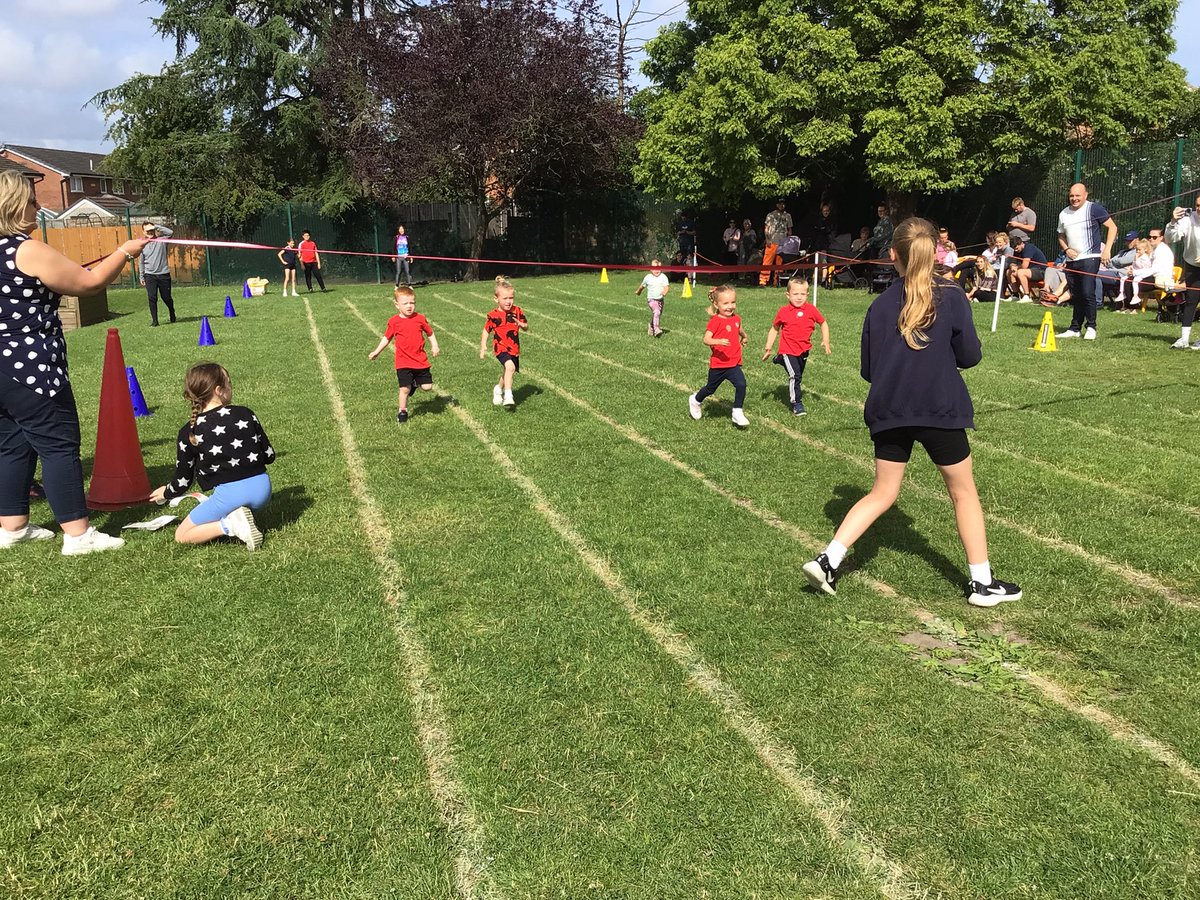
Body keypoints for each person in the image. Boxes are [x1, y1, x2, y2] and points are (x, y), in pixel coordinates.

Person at [802, 217, 1021, 608]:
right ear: (936, 253)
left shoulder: (879, 305)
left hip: (890, 410)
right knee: (963, 493)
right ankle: (982, 584)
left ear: (893, 255)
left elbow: (870, 370)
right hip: (939, 408)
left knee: (882, 492)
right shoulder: (951, 295)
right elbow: (970, 356)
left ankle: (828, 559)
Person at [0, 170, 148, 555]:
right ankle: (79, 534)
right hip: (29, 368)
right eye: (31, 201)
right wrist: (125, 253)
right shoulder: (26, 250)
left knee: (12, 444)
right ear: (13, 206)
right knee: (58, 443)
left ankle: (12, 527)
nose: (38, 206)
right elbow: (88, 283)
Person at [148, 363, 274, 551]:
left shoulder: (189, 431)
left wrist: (166, 492)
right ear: (219, 390)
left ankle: (230, 525)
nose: (231, 387)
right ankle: (238, 516)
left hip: (230, 497)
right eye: (229, 383)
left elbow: (184, 480)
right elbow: (269, 455)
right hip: (263, 491)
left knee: (181, 535)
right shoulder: (246, 413)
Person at [368, 285, 440, 422]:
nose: (409, 306)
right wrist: (376, 351)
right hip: (403, 362)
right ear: (397, 305)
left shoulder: (420, 318)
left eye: (412, 303)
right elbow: (386, 338)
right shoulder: (394, 322)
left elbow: (430, 333)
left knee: (427, 387)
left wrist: (435, 345)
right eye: (405, 303)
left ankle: (414, 383)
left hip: (420, 360)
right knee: (404, 389)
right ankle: (402, 411)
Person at [1056, 182, 1117, 340]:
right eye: (1071, 195)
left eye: (1078, 195)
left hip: (1090, 257)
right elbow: (1061, 235)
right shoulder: (1063, 213)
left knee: (1087, 292)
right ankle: (1075, 328)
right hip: (1071, 260)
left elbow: (1112, 227)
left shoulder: (1094, 209)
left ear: (1085, 195)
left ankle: (1091, 327)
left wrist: (1107, 250)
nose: (1074, 198)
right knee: (1076, 294)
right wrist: (1066, 249)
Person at [761, 278, 831, 416]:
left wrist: (826, 340)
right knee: (795, 376)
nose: (799, 297)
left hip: (804, 350)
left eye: (802, 294)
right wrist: (768, 347)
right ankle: (796, 403)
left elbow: (823, 323)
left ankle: (780, 359)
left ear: (807, 295)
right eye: (795, 294)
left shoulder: (811, 310)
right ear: (788, 295)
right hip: (788, 349)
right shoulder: (783, 311)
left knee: (799, 374)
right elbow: (774, 328)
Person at [687, 284, 750, 428]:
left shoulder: (736, 318)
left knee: (741, 384)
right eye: (726, 303)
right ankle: (695, 400)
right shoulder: (715, 321)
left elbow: (738, 328)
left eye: (733, 302)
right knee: (710, 389)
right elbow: (706, 339)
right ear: (716, 304)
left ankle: (737, 412)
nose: (730, 306)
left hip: (733, 363)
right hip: (719, 364)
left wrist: (745, 336)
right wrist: (718, 341)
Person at [480, 275, 528, 407]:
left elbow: (526, 326)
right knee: (510, 367)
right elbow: (486, 330)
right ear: (496, 299)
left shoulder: (517, 311)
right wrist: (483, 346)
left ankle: (498, 389)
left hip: (514, 348)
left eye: (511, 298)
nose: (508, 302)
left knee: (508, 370)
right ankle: (508, 395)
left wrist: (521, 325)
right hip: (500, 347)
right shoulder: (494, 315)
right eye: (505, 298)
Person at [1166, 194, 1200, 348]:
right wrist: (1173, 221)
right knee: (1191, 300)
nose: (1199, 209)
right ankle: (1184, 339)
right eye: (1197, 205)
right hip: (1192, 266)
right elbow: (1171, 238)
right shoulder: (1188, 219)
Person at [137, 220, 176, 326]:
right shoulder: (142, 244)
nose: (150, 232)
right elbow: (141, 262)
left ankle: (172, 311)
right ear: (143, 232)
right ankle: (155, 321)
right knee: (152, 297)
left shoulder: (161, 240)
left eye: (151, 230)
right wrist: (141, 276)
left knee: (166, 297)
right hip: (149, 275)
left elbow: (170, 232)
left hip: (163, 274)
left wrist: (156, 227)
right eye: (147, 231)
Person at [760, 200, 793, 286]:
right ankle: (763, 281)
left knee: (779, 263)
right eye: (780, 204)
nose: (782, 205)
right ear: (777, 205)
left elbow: (789, 230)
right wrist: (767, 239)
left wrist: (788, 241)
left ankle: (777, 281)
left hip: (782, 243)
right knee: (767, 262)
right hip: (772, 242)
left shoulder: (787, 216)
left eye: (783, 204)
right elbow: (766, 228)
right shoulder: (771, 215)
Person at [635, 259, 670, 337]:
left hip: (660, 300)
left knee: (657, 314)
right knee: (657, 312)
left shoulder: (663, 277)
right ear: (650, 269)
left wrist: (664, 292)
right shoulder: (648, 277)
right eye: (654, 268)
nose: (656, 270)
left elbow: (666, 287)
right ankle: (656, 329)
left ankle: (651, 326)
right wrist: (638, 291)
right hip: (651, 299)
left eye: (658, 268)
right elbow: (642, 286)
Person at [1010, 236, 1047, 302]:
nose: (1015, 250)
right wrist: (1012, 266)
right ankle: (1015, 295)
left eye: (1017, 248)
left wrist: (1016, 267)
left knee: (1021, 272)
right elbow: (1013, 262)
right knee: (1009, 272)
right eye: (1014, 249)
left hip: (1041, 270)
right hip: (1029, 271)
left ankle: (1026, 296)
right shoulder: (1017, 251)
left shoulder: (1029, 248)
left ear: (1021, 243)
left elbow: (1025, 266)